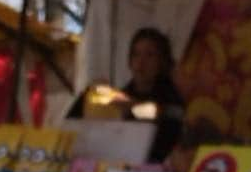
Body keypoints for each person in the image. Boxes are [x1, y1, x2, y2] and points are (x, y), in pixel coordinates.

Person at [68, 27, 186, 163]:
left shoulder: (172, 98)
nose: (141, 62)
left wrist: (131, 107)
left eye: (150, 55)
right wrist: (89, 95)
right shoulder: (121, 94)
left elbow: (161, 114)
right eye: (136, 54)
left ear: (163, 61)